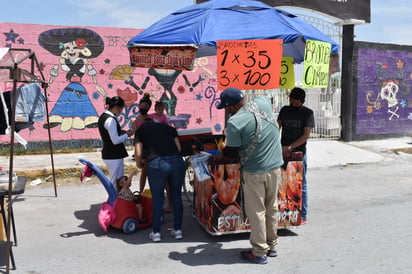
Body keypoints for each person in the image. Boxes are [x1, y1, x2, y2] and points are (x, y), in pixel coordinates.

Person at [217, 87, 283, 264]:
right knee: (272, 207)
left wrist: (223, 148)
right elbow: (268, 101)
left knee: (257, 211)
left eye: (227, 107)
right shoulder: (262, 102)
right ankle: (272, 245)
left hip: (254, 172)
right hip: (275, 167)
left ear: (231, 107)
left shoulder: (235, 122)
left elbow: (231, 154)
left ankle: (259, 251)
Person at [134, 118, 185, 243]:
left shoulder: (140, 130)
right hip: (176, 162)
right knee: (176, 196)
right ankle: (177, 230)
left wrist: (140, 164)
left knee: (158, 198)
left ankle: (156, 233)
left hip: (157, 164)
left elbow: (139, 153)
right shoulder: (168, 127)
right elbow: (179, 148)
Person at [277, 87, 314, 225]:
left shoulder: (308, 114)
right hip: (282, 152)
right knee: (282, 182)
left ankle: (302, 214)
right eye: (291, 99)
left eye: (295, 100)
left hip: (299, 153)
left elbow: (306, 135)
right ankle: (284, 211)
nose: (292, 102)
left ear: (301, 101)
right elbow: (277, 127)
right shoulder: (285, 110)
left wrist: (291, 147)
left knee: (300, 183)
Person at [98, 96, 133, 187]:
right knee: (116, 181)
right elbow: (115, 140)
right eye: (121, 109)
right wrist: (127, 135)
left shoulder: (103, 117)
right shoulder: (110, 120)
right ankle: (114, 199)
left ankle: (116, 199)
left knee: (117, 180)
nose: (121, 111)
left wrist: (121, 133)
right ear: (117, 108)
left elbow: (110, 135)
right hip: (113, 155)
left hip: (111, 154)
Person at [131, 93, 152, 193]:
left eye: (145, 106)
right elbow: (136, 136)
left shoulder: (151, 119)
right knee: (144, 171)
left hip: (151, 148)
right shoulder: (135, 120)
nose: (143, 107)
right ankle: (140, 191)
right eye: (142, 106)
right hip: (142, 148)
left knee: (151, 171)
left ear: (148, 107)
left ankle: (151, 191)